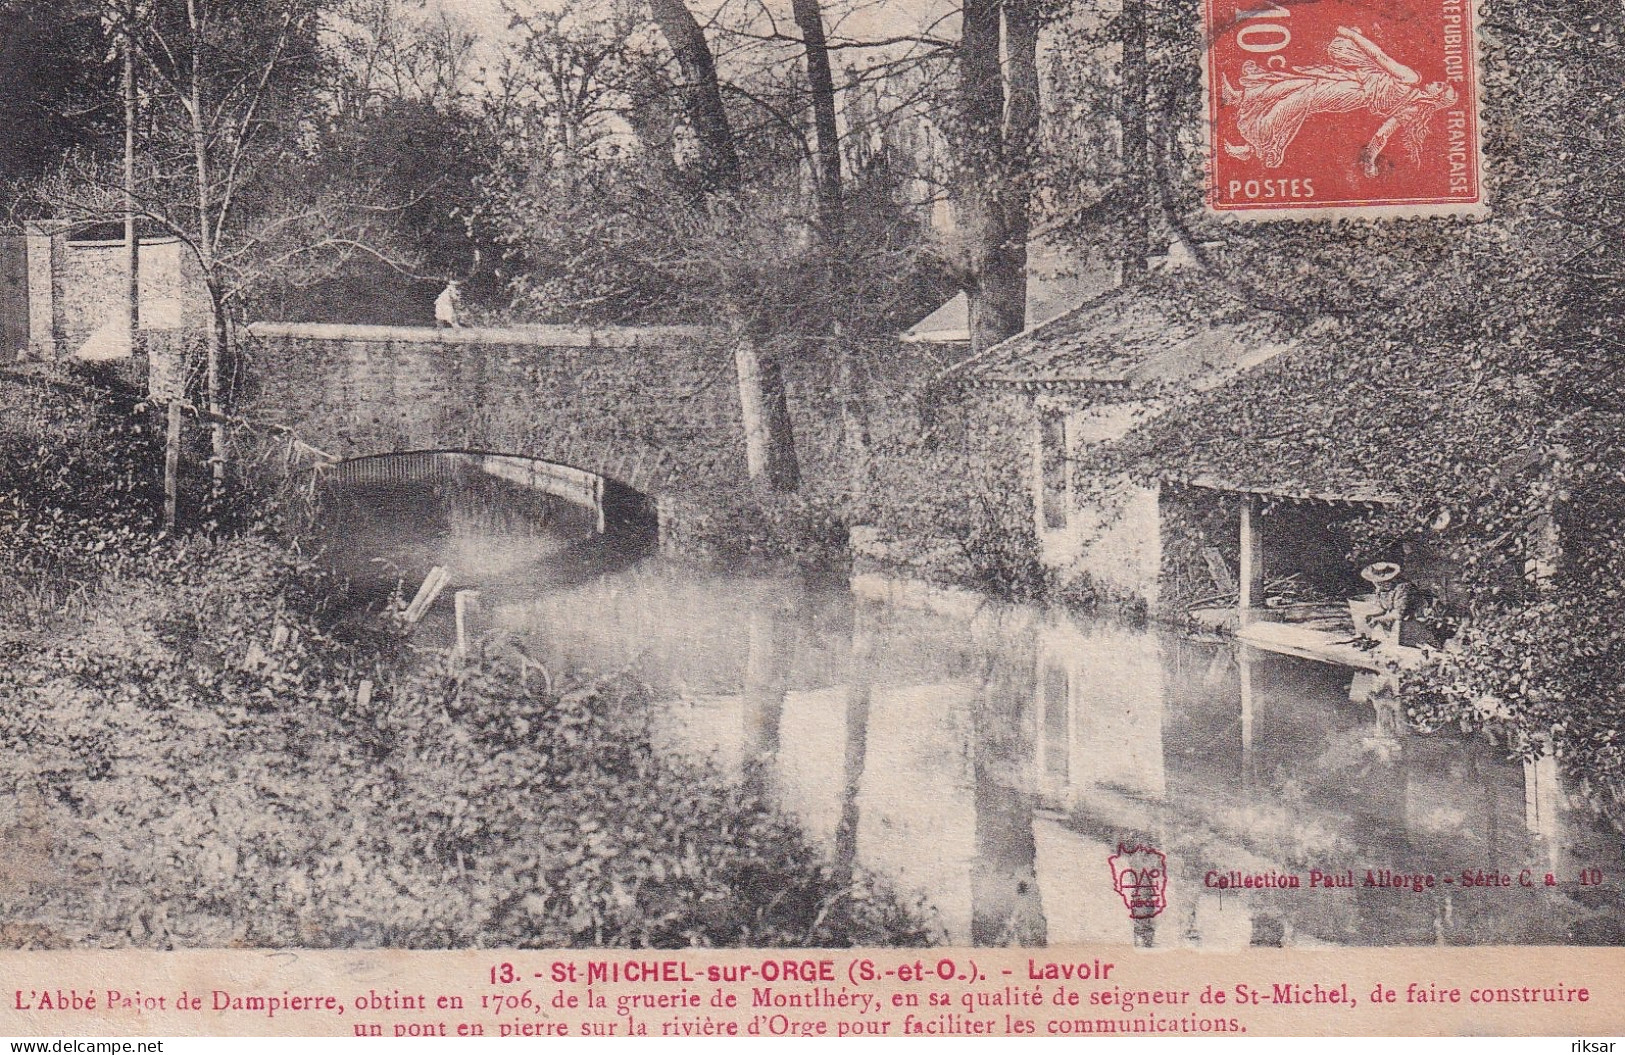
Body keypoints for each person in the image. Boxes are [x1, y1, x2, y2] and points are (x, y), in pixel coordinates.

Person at [1220, 26, 1458, 176]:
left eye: (1440, 87)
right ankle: (1240, 98)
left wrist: (1351, 35)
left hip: (1351, 90)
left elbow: (1379, 56)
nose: (1436, 82)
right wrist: (1370, 158)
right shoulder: (1412, 109)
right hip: (1350, 81)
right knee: (1297, 82)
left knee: (1301, 98)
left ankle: (1255, 144)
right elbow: (1382, 135)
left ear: (1436, 96)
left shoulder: (1412, 78)